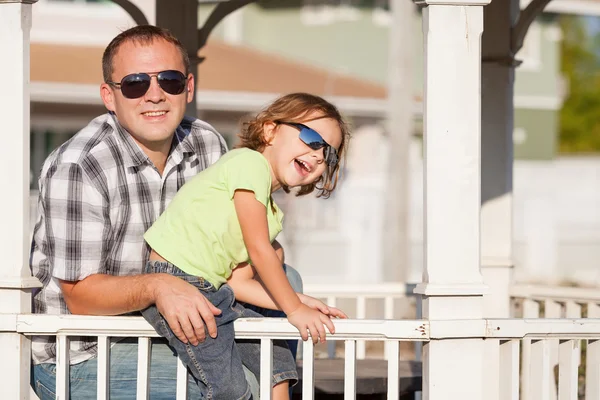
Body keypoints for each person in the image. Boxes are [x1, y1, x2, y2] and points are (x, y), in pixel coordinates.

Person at [29, 25, 300, 399]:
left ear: (188, 87)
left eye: (169, 81)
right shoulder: (81, 164)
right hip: (84, 352)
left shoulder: (207, 144)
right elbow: (81, 297)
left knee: (289, 280)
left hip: (178, 326)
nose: (154, 95)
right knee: (238, 386)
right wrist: (159, 285)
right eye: (136, 83)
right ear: (110, 95)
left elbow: (237, 247)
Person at [141, 92, 350, 399]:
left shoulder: (271, 214)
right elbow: (258, 250)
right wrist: (293, 309)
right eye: (311, 138)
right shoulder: (249, 163)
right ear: (269, 130)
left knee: (275, 354)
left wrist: (299, 300)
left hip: (213, 289)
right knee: (228, 387)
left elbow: (238, 283)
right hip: (176, 282)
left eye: (329, 154)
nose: (319, 155)